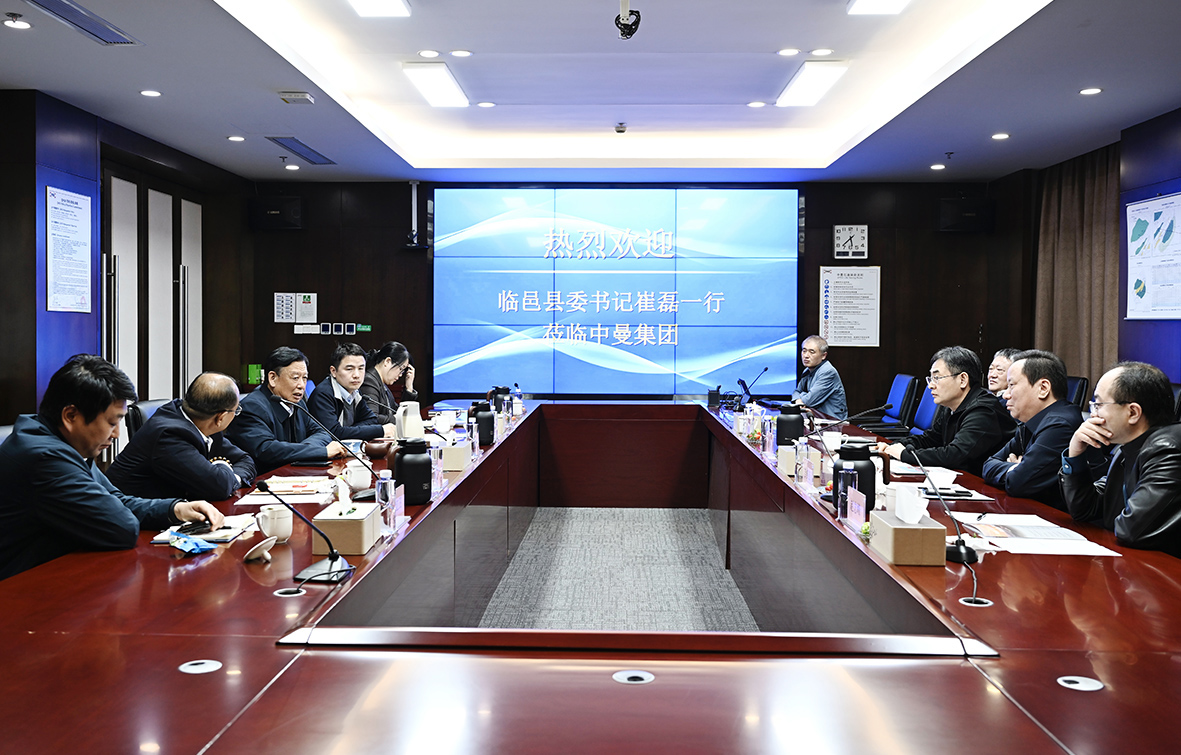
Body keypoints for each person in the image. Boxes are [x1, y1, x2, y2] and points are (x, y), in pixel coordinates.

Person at [0, 355, 223, 580]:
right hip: (21, 586)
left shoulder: (61, 441)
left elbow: (116, 500)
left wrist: (175, 509)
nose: (116, 434)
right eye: (112, 422)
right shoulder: (45, 457)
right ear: (71, 416)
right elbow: (122, 527)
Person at [1060, 361, 1181, 557]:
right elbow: (1086, 510)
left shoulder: (1166, 450)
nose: (1092, 415)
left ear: (1133, 412)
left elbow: (1131, 530)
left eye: (1099, 404)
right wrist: (1075, 454)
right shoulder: (1126, 448)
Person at [106, 372, 256, 501]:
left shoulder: (203, 421)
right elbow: (219, 487)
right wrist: (224, 467)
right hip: (131, 516)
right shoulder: (170, 436)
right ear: (221, 418)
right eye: (236, 411)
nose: (235, 414)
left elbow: (245, 460)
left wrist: (231, 477)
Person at [875, 346, 1015, 475]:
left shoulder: (984, 410)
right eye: (931, 379)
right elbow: (930, 439)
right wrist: (893, 447)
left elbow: (955, 455)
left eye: (937, 378)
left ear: (963, 380)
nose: (931, 386)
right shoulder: (952, 406)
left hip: (987, 487)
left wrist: (904, 454)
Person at [982, 350, 1082, 509]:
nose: (1006, 395)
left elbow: (1018, 482)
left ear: (1043, 388)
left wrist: (1018, 470)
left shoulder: (1061, 425)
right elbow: (988, 465)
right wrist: (1016, 468)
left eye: (1011, 386)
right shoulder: (1030, 422)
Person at [226, 347, 347, 473]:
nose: (301, 385)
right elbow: (267, 449)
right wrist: (321, 451)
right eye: (295, 378)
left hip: (294, 475)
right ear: (273, 378)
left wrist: (305, 450)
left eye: (304, 378)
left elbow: (322, 432)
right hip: (262, 479)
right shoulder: (252, 407)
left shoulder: (297, 402)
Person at [308, 342, 397, 440]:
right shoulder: (323, 394)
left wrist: (347, 431)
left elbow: (371, 419)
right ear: (333, 371)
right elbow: (333, 433)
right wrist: (380, 431)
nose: (356, 375)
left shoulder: (355, 392)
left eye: (361, 368)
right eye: (349, 369)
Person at [361, 341, 419, 424]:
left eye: (403, 371)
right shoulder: (369, 381)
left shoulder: (383, 385)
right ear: (387, 361)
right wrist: (398, 419)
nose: (400, 375)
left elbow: (398, 412)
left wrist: (409, 388)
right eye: (401, 369)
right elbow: (372, 417)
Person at [792, 335, 847, 420]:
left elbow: (809, 401)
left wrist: (801, 397)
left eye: (812, 352)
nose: (806, 355)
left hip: (832, 421)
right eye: (804, 351)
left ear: (823, 355)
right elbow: (796, 391)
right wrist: (798, 400)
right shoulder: (807, 370)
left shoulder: (828, 372)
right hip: (816, 419)